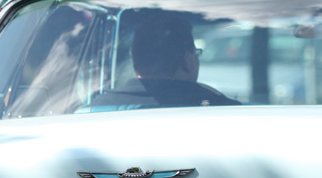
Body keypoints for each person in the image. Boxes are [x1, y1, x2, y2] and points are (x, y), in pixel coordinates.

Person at [90, 11, 238, 109]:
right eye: (196, 53)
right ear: (188, 60)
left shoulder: (95, 109)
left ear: (136, 60)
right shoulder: (225, 109)